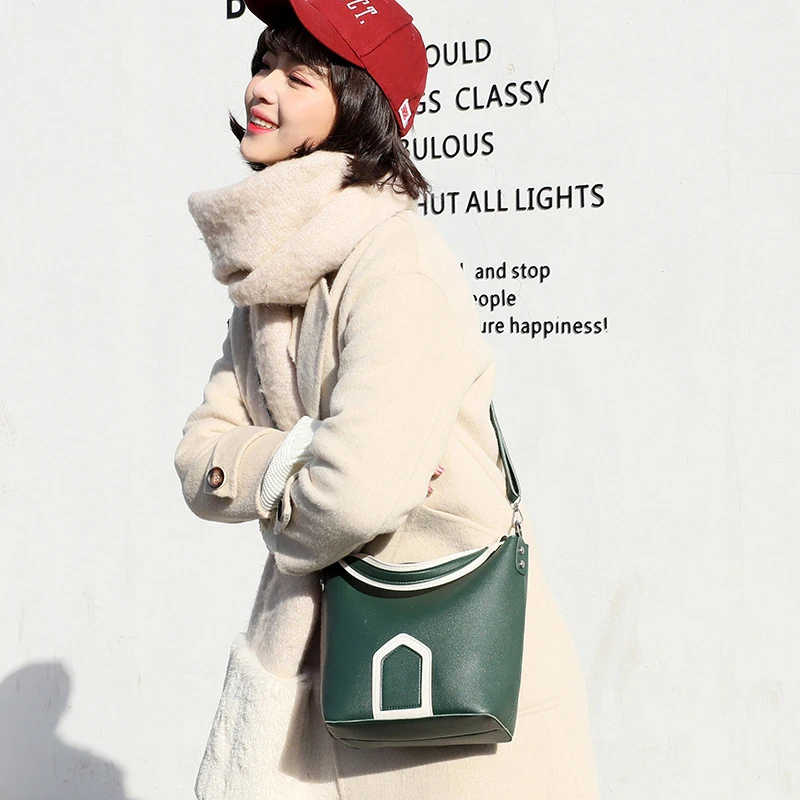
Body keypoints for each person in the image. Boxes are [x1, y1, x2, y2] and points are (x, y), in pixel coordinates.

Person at [174, 0, 600, 797]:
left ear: (358, 108)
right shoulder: (265, 288)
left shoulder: (396, 264)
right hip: (321, 672)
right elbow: (199, 460)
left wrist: (286, 475)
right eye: (264, 65)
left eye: (298, 77)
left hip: (439, 697)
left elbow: (355, 493)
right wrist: (304, 453)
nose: (262, 88)